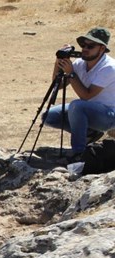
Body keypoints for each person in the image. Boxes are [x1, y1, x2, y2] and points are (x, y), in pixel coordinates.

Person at [42, 27, 115, 161]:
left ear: (102, 49)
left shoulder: (109, 68)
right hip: (87, 110)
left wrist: (71, 73)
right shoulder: (81, 63)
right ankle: (89, 133)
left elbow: (86, 95)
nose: (85, 49)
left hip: (109, 115)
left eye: (90, 46)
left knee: (77, 105)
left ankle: (79, 153)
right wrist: (59, 62)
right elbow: (58, 85)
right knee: (48, 116)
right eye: (83, 45)